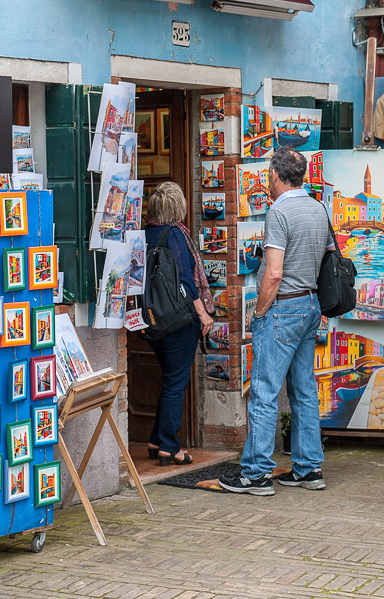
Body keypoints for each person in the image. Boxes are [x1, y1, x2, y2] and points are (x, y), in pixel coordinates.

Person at [219, 148, 330, 495]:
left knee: (264, 392)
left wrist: (260, 312)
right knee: (304, 390)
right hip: (311, 304)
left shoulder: (278, 213)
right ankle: (309, 469)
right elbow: (326, 259)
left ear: (277, 176)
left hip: (283, 307)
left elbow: (274, 273)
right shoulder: (318, 208)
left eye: (269, 175)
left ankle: (255, 473)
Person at [143, 182, 214, 466]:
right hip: (177, 320)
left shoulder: (144, 233)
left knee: (170, 379)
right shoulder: (174, 235)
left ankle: (154, 439)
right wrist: (203, 314)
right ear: (177, 208)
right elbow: (186, 281)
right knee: (176, 382)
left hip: (152, 321)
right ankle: (170, 448)